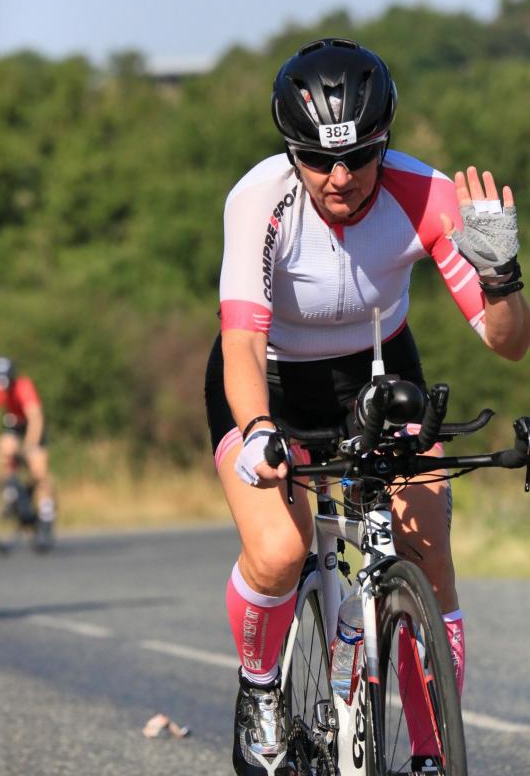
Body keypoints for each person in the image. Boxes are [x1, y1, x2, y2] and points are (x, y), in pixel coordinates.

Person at [204, 38, 530, 776]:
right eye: (318, 160)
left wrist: (502, 277)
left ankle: (430, 756)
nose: (341, 178)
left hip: (376, 376)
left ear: (384, 141)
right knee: (279, 550)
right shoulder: (260, 199)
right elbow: (241, 342)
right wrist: (257, 431)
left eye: (360, 156)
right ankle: (260, 688)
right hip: (269, 381)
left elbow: (507, 342)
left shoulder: (426, 195)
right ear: (292, 151)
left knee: (428, 552)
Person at [0, 357, 57, 549]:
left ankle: (47, 512)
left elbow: (35, 417)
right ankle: (10, 493)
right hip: (14, 424)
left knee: (39, 469)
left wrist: (30, 446)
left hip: (32, 427)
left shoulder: (24, 386)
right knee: (5, 448)